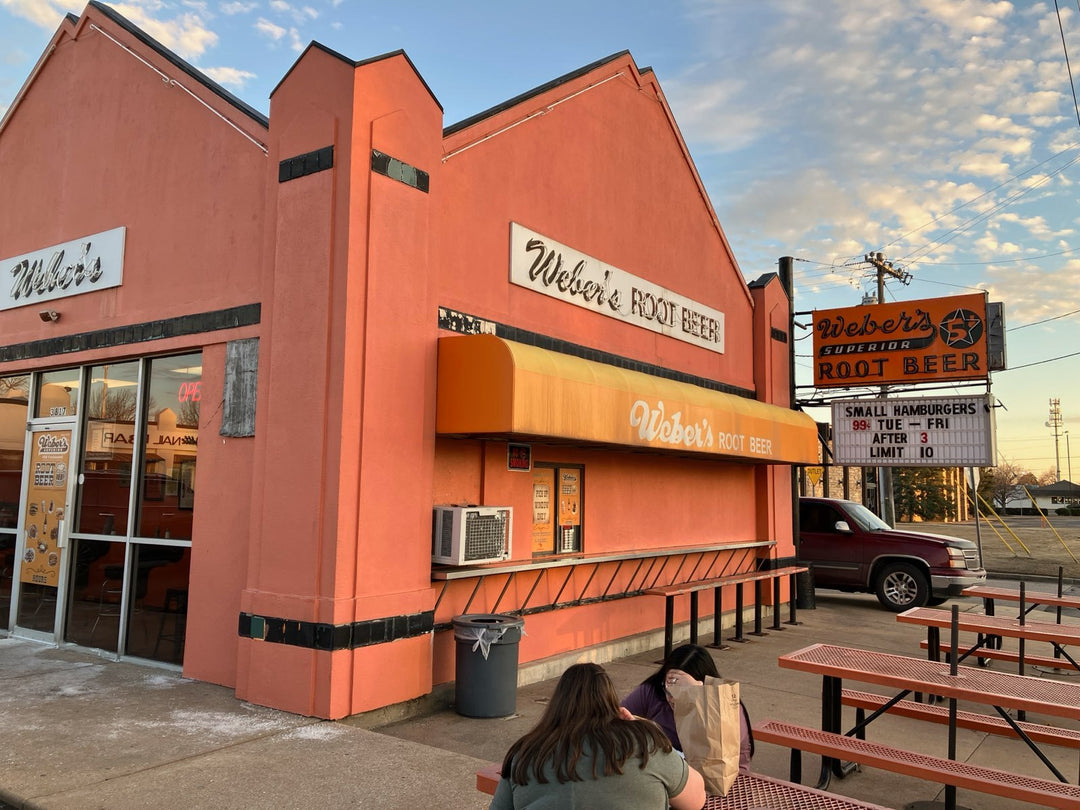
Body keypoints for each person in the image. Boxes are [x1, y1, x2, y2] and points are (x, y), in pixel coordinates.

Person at [489, 662, 706, 809]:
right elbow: (697, 799)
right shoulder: (645, 742)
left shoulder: (524, 753)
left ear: (557, 704)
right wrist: (644, 725)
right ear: (611, 701)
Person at [621, 643, 754, 772]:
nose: (673, 699)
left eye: (683, 692)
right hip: (668, 773)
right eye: (669, 690)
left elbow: (716, 757)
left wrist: (699, 700)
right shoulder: (653, 691)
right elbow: (614, 717)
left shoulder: (724, 706)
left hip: (726, 779)